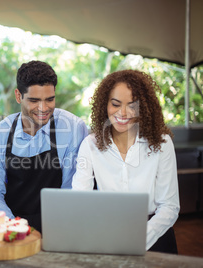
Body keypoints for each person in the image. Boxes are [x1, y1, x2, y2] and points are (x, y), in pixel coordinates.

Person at [72, 70, 179, 254]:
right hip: (108, 234)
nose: (123, 112)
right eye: (115, 104)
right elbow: (80, 200)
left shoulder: (162, 144)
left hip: (155, 237)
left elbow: (169, 206)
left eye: (132, 105)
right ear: (104, 104)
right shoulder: (90, 145)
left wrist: (139, 239)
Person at [0, 60, 88, 231]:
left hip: (59, 225)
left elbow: (72, 189)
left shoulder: (74, 128)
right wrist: (13, 227)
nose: (43, 108)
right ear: (18, 96)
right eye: (34, 100)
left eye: (50, 99)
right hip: (13, 226)